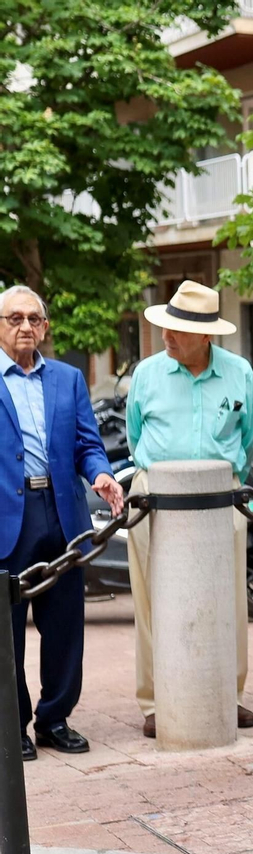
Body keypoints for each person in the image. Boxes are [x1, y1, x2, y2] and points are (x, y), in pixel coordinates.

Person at [127, 281, 253, 739]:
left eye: (178, 330)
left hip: (222, 494)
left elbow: (247, 435)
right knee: (149, 599)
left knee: (229, 597)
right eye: (166, 327)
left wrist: (225, 474)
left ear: (207, 336)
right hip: (155, 495)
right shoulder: (146, 374)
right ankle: (154, 700)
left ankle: (230, 693)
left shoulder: (239, 372)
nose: (166, 337)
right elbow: (134, 432)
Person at [0, 285, 121, 759]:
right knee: (6, 631)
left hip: (63, 513)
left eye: (34, 318)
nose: (25, 326)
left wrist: (103, 474)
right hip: (9, 518)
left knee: (66, 625)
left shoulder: (68, 380)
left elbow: (88, 444)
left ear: (45, 327)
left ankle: (55, 719)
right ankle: (14, 725)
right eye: (14, 318)